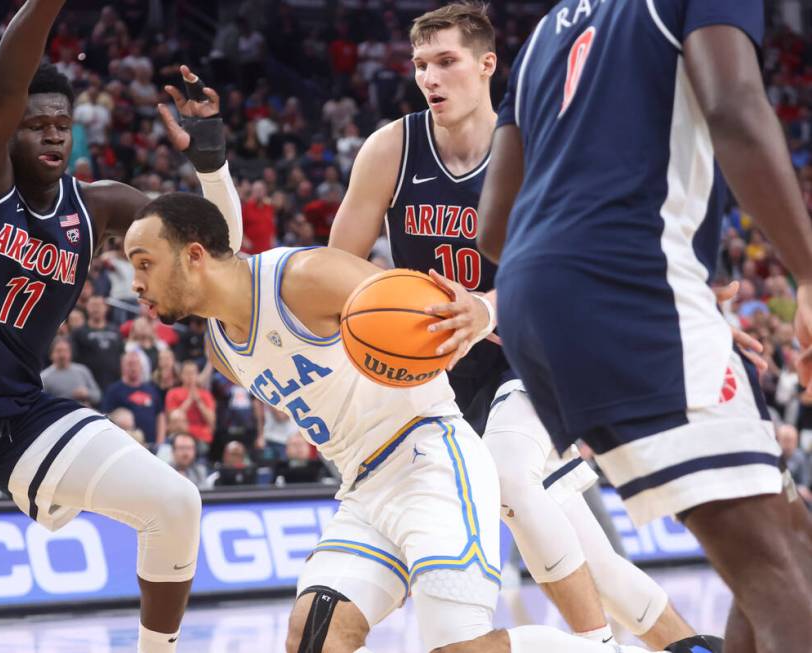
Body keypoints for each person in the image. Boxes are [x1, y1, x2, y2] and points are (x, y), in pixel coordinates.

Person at [123, 191, 678, 653]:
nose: (136, 283)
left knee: (460, 649)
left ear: (194, 255)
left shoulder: (305, 277)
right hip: (364, 490)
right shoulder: (220, 348)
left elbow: (415, 310)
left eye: (144, 262)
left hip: (431, 457)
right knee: (312, 638)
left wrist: (463, 323)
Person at [0, 4, 243, 651]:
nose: (51, 135)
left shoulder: (96, 206)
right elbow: (7, 82)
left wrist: (210, 160)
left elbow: (213, 248)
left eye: (62, 124)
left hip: (20, 408)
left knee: (176, 502)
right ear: (6, 132)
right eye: (35, 123)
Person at [328, 3, 701, 648]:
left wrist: (488, 308)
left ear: (486, 64)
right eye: (420, 65)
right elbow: (336, 266)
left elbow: (576, 263)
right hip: (440, 373)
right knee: (587, 551)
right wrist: (384, 319)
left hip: (537, 348)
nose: (430, 78)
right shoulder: (392, 148)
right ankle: (689, 645)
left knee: (505, 470)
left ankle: (596, 647)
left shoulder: (536, 145)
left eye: (446, 61)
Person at [478, 1, 812, 651]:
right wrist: (807, 272)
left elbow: (493, 227)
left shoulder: (547, 31)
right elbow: (736, 109)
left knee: (783, 543)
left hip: (536, 296)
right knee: (777, 568)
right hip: (631, 288)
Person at [101, 351, 165, 445]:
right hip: (126, 444)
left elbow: (160, 415)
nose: (133, 368)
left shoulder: (151, 390)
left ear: (141, 367)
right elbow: (106, 417)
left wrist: (160, 442)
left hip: (152, 445)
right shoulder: (113, 391)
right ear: (122, 366)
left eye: (136, 364)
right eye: (130, 364)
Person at [40, 335, 101, 406]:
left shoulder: (82, 370)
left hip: (84, 413)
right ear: (51, 354)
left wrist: (87, 393)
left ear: (70, 353)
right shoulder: (44, 377)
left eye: (66, 351)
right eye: (59, 351)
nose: (62, 355)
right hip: (60, 414)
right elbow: (42, 403)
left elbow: (98, 396)